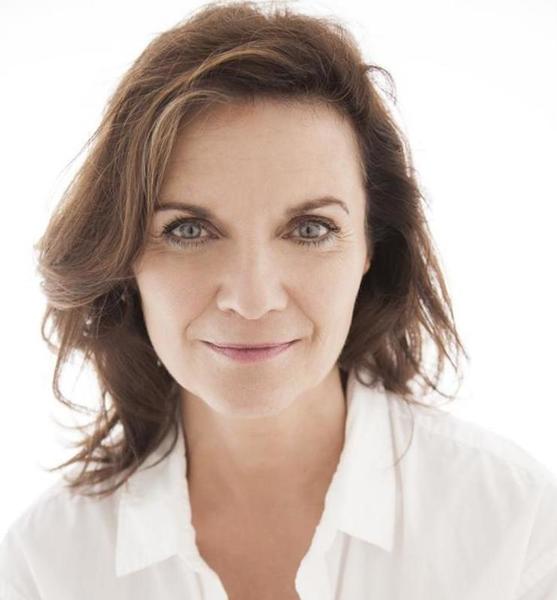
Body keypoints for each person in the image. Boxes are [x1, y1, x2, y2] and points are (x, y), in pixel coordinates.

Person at [1, 1, 556, 599]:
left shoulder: (513, 525)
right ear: (123, 253)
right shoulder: (46, 564)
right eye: (189, 230)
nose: (252, 299)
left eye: (310, 229)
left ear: (372, 247)